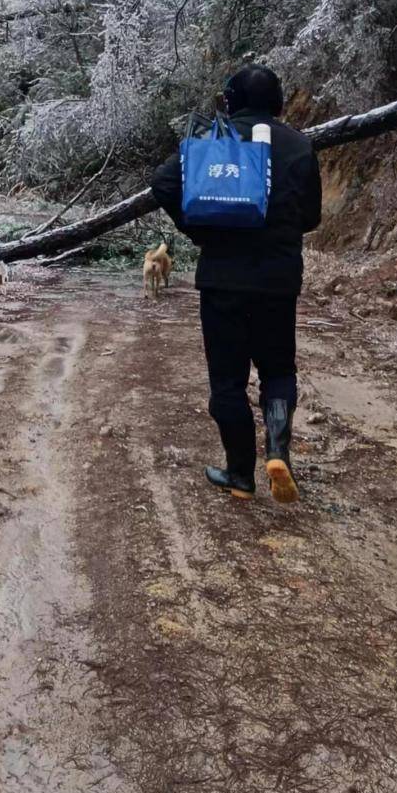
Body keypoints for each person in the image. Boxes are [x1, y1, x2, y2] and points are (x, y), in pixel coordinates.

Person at [151, 65, 321, 503]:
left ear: (230, 101)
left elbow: (163, 183)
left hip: (223, 279)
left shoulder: (215, 139)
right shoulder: (299, 145)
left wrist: (198, 227)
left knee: (228, 381)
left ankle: (240, 474)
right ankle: (278, 451)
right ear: (279, 102)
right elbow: (312, 217)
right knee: (278, 370)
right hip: (278, 280)